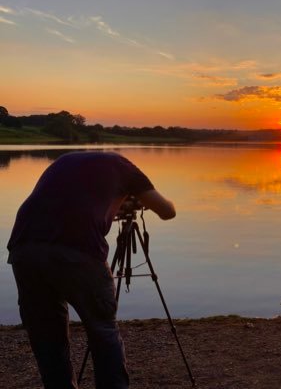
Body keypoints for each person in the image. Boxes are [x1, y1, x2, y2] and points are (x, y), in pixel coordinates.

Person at [7, 151, 176, 389]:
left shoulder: (64, 161)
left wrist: (112, 205)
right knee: (103, 330)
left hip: (25, 248)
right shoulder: (126, 169)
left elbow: (69, 204)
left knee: (46, 336)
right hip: (79, 252)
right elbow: (167, 212)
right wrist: (135, 200)